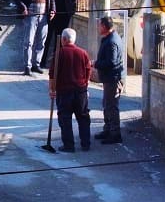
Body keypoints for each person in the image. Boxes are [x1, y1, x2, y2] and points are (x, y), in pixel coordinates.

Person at [48, 28, 93, 153]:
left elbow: (52, 75)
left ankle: (69, 145)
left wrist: (52, 90)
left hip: (64, 92)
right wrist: (85, 84)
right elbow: (88, 70)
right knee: (83, 117)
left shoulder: (59, 54)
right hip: (81, 91)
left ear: (63, 39)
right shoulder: (83, 53)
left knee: (65, 118)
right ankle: (86, 143)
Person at [13, 0, 55, 75]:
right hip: (30, 16)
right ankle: (27, 66)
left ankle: (36, 64)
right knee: (29, 42)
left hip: (43, 17)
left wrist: (52, 10)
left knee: (41, 42)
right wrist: (23, 7)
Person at [93, 15, 125, 144]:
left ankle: (115, 134)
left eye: (99, 25)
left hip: (113, 78)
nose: (98, 28)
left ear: (105, 27)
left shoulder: (112, 42)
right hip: (109, 78)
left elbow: (111, 62)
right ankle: (108, 129)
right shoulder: (109, 38)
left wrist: (95, 63)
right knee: (106, 104)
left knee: (111, 106)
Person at [46, 0, 78, 72]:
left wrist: (72, 10)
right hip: (50, 14)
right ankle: (42, 61)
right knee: (47, 37)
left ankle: (58, 62)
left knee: (60, 40)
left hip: (64, 15)